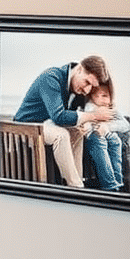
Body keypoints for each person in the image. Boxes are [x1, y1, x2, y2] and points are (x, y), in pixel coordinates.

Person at [12, 56, 113, 188]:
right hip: (26, 128)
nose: (87, 91)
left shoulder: (76, 88)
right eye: (87, 83)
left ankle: (78, 181)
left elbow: (75, 116)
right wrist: (93, 116)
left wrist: (84, 124)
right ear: (80, 69)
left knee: (77, 133)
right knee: (61, 135)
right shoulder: (51, 78)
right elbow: (59, 116)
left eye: (92, 87)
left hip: (45, 126)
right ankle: (76, 186)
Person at [81, 79, 130, 192]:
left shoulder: (112, 109)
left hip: (108, 133)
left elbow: (126, 125)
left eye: (104, 96)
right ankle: (109, 185)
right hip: (94, 135)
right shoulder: (90, 106)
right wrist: (91, 127)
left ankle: (118, 182)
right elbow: (86, 120)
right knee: (99, 141)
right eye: (95, 95)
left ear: (111, 98)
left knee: (116, 141)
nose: (99, 99)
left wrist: (108, 126)